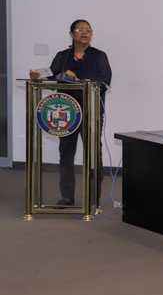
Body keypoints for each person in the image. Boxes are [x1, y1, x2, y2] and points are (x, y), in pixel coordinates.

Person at [29, 19, 112, 206]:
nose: (85, 33)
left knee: (93, 154)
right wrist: (38, 78)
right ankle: (67, 196)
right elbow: (52, 77)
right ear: (72, 34)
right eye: (80, 29)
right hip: (66, 113)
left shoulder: (99, 56)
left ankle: (93, 198)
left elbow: (104, 81)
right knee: (66, 153)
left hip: (91, 111)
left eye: (88, 30)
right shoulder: (62, 56)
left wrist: (78, 79)